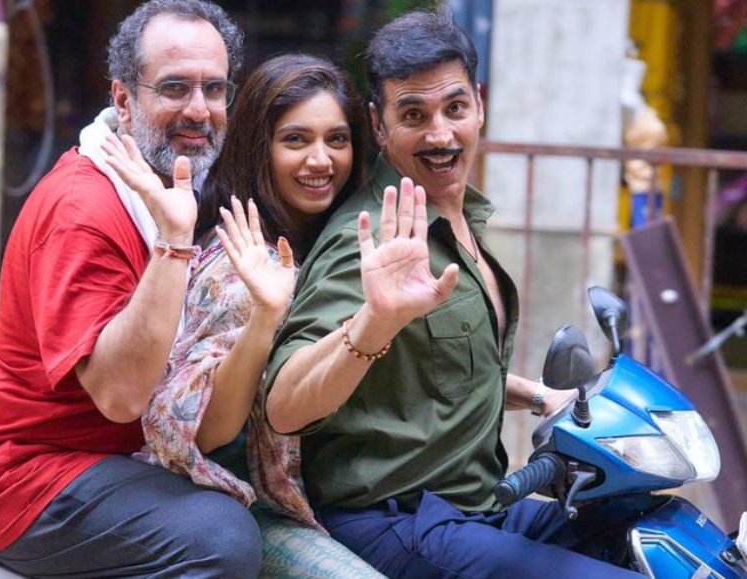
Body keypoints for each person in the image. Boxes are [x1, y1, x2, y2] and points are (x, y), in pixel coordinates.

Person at [264, 10, 647, 579]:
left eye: (455, 108)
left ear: (480, 106)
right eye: (413, 115)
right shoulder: (372, 240)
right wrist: (375, 319)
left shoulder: (457, 216)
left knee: (656, 532)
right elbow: (284, 404)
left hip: (480, 507)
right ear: (379, 125)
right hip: (395, 521)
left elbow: (429, 365)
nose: (440, 134)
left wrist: (539, 395)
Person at [0, 1, 264, 577]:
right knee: (222, 538)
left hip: (101, 463)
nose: (199, 109)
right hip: (19, 478)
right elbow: (120, 397)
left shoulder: (180, 182)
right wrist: (174, 243)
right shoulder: (84, 208)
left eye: (215, 89)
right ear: (123, 99)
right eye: (175, 87)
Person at [111, 52, 382, 577]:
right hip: (236, 504)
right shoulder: (238, 265)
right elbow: (204, 435)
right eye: (296, 140)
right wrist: (264, 317)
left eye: (337, 139)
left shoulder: (334, 241)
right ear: (260, 148)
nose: (321, 160)